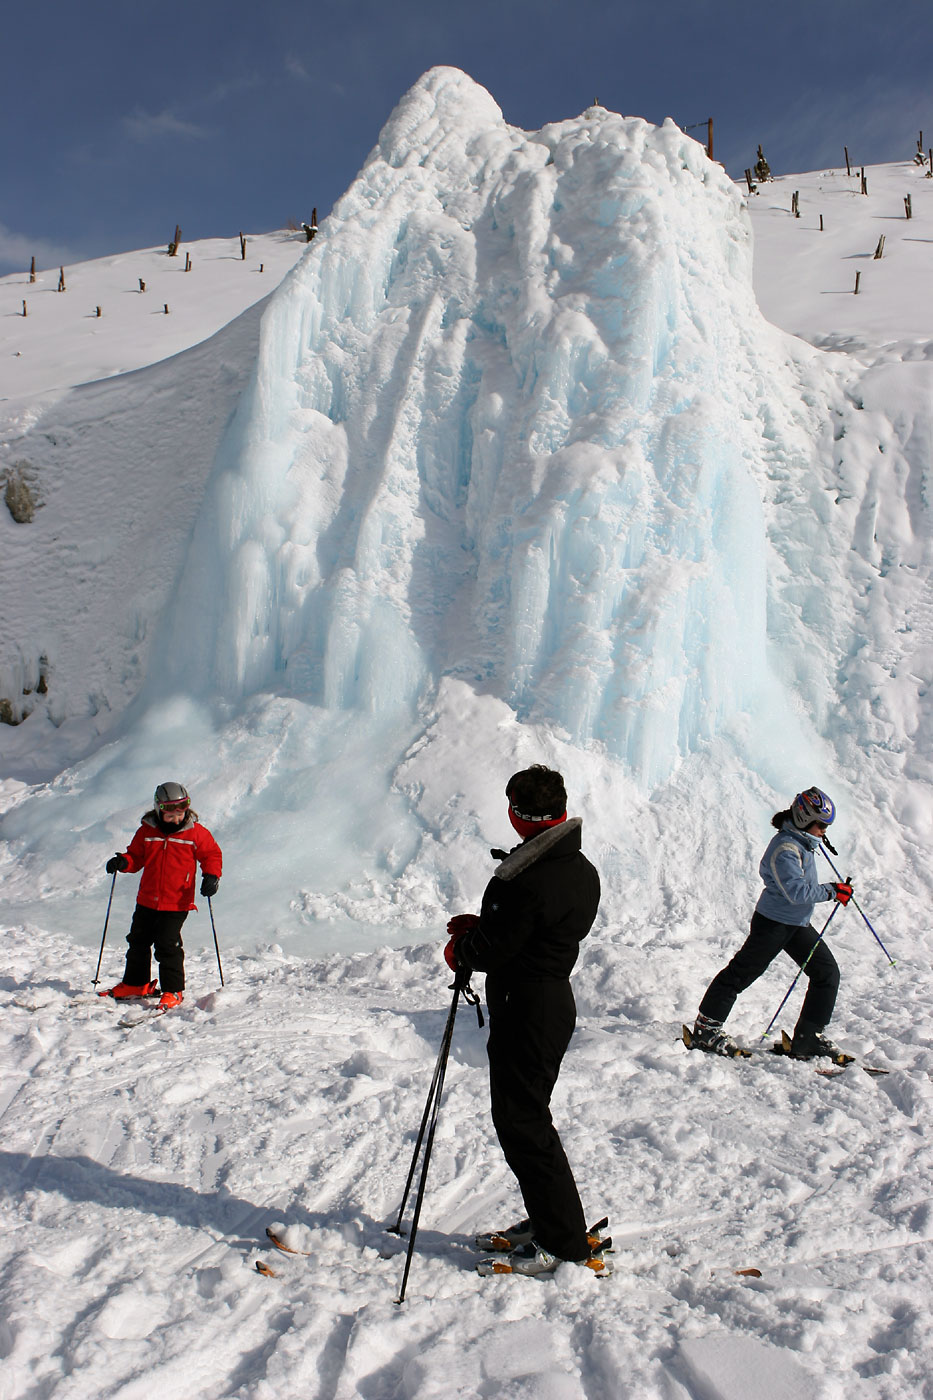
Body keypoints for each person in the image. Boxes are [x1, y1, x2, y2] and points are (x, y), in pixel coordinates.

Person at [445, 764, 608, 1277]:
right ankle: (551, 1221)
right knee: (527, 1119)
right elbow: (535, 929)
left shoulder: (529, 876)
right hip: (546, 1000)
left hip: (526, 1007)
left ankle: (562, 1242)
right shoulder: (577, 867)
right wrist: (488, 927)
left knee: (524, 1123)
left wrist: (463, 948)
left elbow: (496, 947)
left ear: (518, 816)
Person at [688, 786, 853, 1060]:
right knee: (740, 974)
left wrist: (833, 890)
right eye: (821, 825)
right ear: (803, 819)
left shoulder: (803, 843)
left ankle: (807, 1038)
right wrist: (832, 891)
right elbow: (796, 891)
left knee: (827, 973)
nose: (824, 831)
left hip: (796, 924)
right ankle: (706, 1030)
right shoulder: (785, 848)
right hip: (773, 924)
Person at [99, 782, 222, 1010]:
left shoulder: (196, 833)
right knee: (138, 940)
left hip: (177, 901)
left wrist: (212, 875)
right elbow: (136, 857)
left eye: (180, 814)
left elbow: (211, 854)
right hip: (147, 899)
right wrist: (123, 862)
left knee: (167, 944)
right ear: (158, 810)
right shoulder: (147, 831)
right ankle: (136, 984)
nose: (176, 819)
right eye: (169, 815)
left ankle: (173, 990)